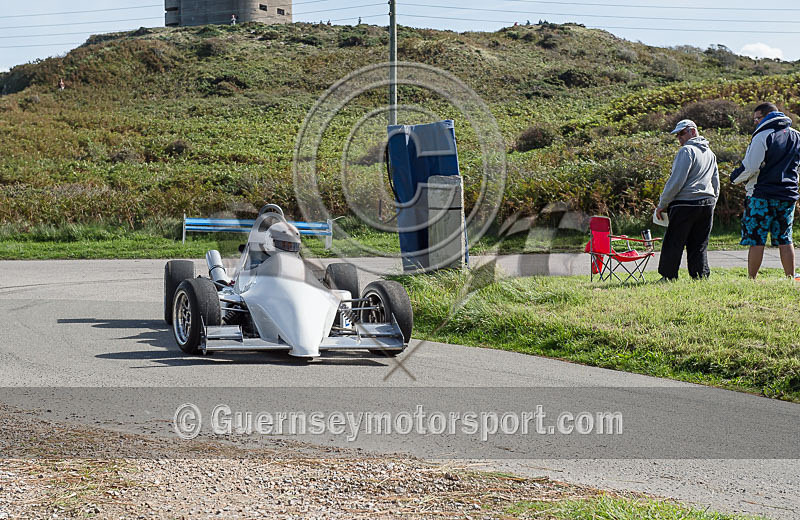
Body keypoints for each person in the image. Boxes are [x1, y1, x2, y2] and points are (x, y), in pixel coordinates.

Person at [731, 102, 800, 279]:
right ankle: (789, 278)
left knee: (757, 239)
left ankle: (752, 279)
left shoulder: (762, 136)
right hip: (788, 195)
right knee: (785, 239)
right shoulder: (796, 136)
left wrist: (734, 178)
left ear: (767, 115)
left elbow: (751, 166)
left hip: (761, 195)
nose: (755, 122)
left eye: (757, 118)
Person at [655, 119, 720, 280]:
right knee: (699, 243)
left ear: (692, 131)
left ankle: (668, 277)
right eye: (677, 135)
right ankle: (700, 276)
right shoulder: (710, 153)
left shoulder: (687, 151)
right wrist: (713, 202)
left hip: (685, 203)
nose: (679, 138)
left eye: (682, 133)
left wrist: (662, 204)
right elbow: (715, 182)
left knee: (674, 241)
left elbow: (676, 180)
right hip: (707, 202)